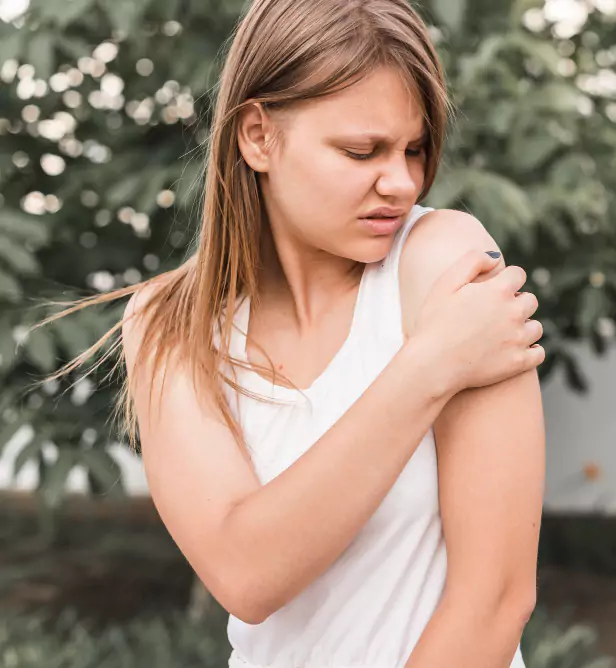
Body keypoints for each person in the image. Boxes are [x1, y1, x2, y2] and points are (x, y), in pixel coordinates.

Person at [38, 0, 546, 666]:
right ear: (257, 136)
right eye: (361, 150)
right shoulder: (170, 326)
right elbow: (247, 574)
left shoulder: (440, 262)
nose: (400, 181)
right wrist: (429, 368)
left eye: (414, 149)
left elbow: (497, 599)